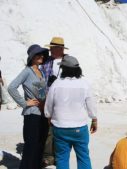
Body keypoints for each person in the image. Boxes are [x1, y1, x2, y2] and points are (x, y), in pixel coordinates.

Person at [44, 55, 98, 169]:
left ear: (63, 69)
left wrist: (48, 116)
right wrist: (94, 119)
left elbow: (49, 104)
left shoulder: (57, 84)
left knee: (62, 157)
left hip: (60, 127)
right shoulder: (84, 84)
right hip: (80, 127)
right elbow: (91, 105)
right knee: (83, 156)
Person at [7, 44, 49, 169]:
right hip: (32, 114)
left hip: (42, 112)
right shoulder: (27, 71)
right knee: (31, 145)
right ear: (32, 57)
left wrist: (45, 103)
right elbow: (11, 87)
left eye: (42, 54)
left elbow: (41, 92)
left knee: (40, 144)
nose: (41, 56)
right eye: (38, 54)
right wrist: (24, 103)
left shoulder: (40, 71)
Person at [40, 36, 68, 166]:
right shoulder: (47, 61)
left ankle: (58, 155)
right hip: (47, 99)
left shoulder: (68, 62)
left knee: (60, 128)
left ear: (60, 49)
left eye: (53, 48)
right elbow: (42, 81)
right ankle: (48, 156)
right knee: (49, 128)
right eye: (50, 48)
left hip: (62, 100)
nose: (50, 50)